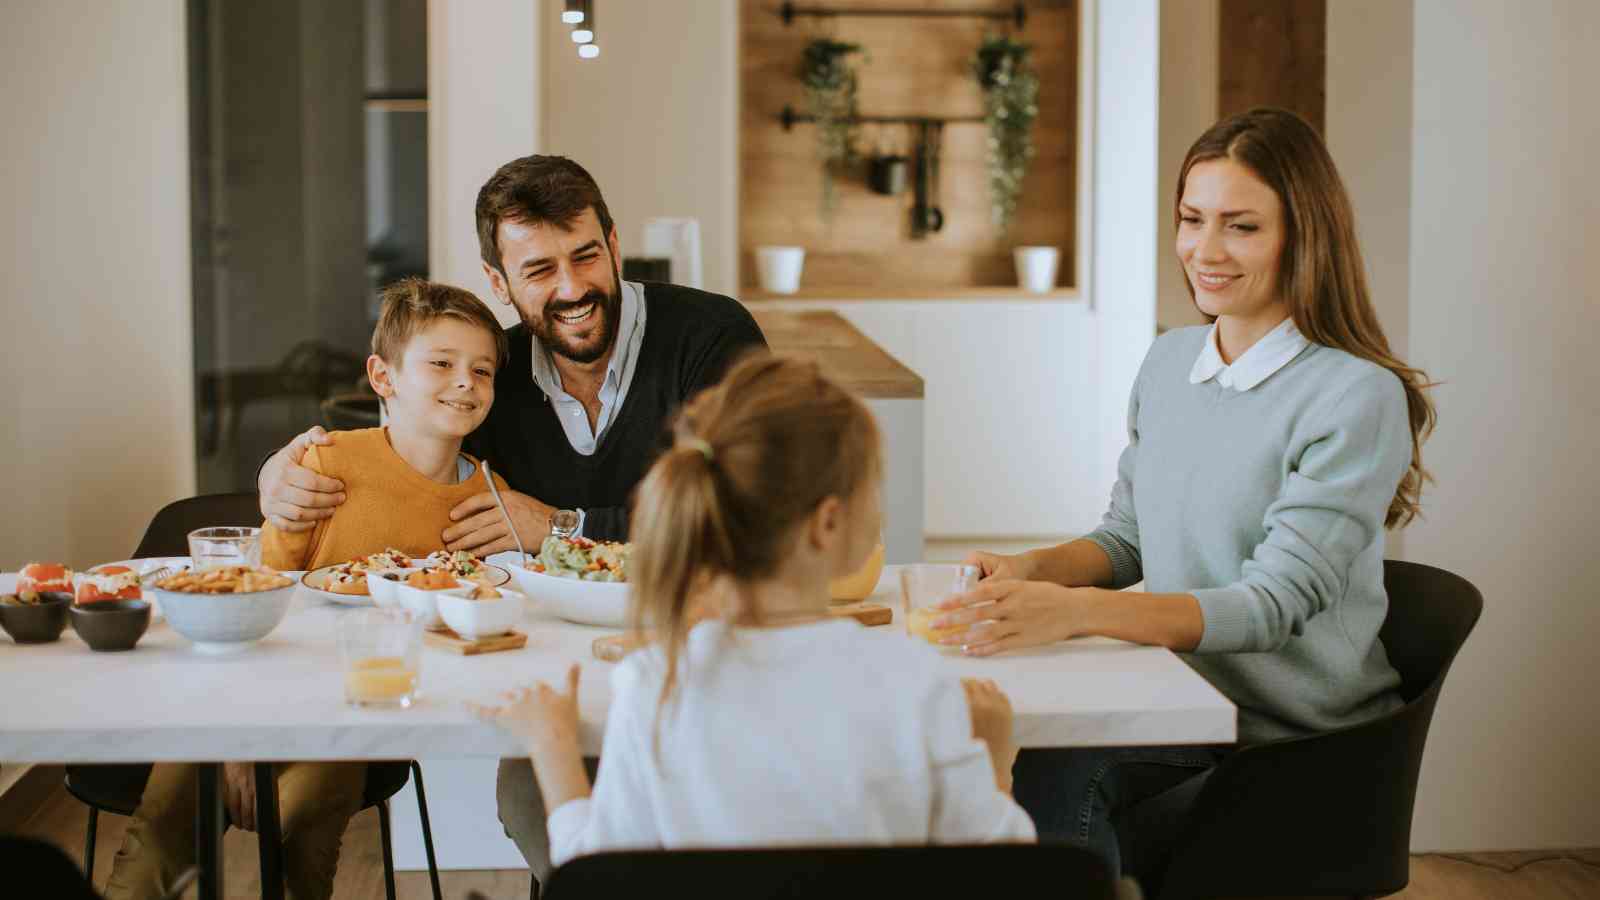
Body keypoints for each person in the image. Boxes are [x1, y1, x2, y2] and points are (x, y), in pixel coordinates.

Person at [932, 108, 1438, 878]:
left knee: (1055, 779)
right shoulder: (1170, 362)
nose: (1205, 251)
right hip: (1176, 697)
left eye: (1241, 226)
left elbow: (1270, 606)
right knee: (992, 753)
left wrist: (1074, 613)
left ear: (1304, 237)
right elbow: (1128, 539)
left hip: (1291, 738)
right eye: (1191, 219)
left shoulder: (1353, 396)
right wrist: (1031, 569)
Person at [473, 354, 1036, 871]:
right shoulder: (913, 682)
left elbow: (593, 873)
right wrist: (993, 760)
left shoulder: (655, 686)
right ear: (828, 523)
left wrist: (552, 748)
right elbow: (1001, 874)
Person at [105, 279, 511, 900]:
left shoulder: (488, 499)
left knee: (310, 806)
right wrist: (243, 737)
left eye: (481, 370)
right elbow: (250, 602)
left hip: (365, 709)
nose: (465, 381)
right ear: (383, 377)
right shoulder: (324, 467)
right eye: (442, 363)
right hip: (246, 689)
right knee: (164, 826)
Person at [255, 155, 766, 552]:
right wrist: (277, 472)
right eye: (540, 270)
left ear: (613, 246)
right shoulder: (489, 371)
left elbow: (751, 511)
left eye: (586, 257)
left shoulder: (713, 335)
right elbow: (406, 457)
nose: (571, 289)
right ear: (499, 283)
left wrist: (562, 526)